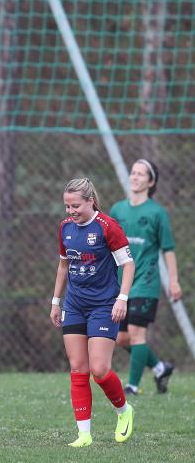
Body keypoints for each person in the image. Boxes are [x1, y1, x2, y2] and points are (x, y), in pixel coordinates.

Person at [50, 178, 135, 447]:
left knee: (99, 370)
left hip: (104, 306)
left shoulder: (108, 227)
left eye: (75, 206)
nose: (70, 211)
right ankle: (84, 435)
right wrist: (55, 301)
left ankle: (124, 411)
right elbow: (63, 266)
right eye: (67, 206)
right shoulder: (65, 228)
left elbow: (128, 265)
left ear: (90, 201)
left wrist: (122, 299)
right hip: (74, 305)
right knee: (78, 368)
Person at [109, 159, 181, 395]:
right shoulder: (118, 210)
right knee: (121, 338)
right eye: (133, 172)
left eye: (141, 174)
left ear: (151, 182)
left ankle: (132, 386)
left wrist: (173, 280)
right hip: (122, 283)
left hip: (146, 283)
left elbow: (168, 249)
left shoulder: (157, 213)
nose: (135, 177)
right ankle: (160, 368)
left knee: (137, 334)